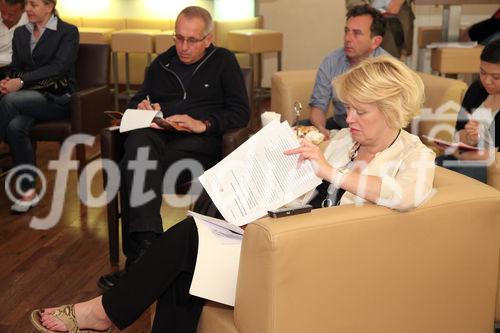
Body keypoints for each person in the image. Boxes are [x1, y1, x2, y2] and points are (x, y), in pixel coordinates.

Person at [30, 56, 435, 333]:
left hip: (325, 264)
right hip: (288, 239)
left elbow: (406, 196)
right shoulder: (344, 139)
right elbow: (303, 193)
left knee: (188, 244)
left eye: (360, 111)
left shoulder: (415, 155)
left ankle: (102, 312)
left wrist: (331, 172)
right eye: (348, 108)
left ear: (394, 109)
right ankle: (107, 311)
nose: (348, 119)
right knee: (194, 243)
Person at [97, 6, 250, 291]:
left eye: (192, 40)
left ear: (208, 38)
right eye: (178, 38)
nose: (183, 47)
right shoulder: (161, 64)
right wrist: (143, 107)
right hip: (162, 138)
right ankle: (149, 256)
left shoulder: (224, 61)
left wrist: (203, 123)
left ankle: (141, 261)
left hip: (201, 144)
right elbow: (136, 102)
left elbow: (241, 112)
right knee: (139, 145)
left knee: (134, 164)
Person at [0, 0, 79, 212]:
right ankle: (28, 192)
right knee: (15, 127)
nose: (27, 9)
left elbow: (59, 68)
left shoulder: (68, 32)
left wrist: (22, 81)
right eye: (27, 4)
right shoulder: (21, 33)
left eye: (33, 5)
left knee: (9, 101)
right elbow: (16, 67)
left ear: (49, 6)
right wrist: (8, 80)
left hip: (58, 97)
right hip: (28, 99)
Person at [307, 4, 389, 139]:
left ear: (376, 41)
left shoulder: (387, 68)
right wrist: (321, 129)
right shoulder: (332, 61)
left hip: (373, 133)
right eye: (347, 31)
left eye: (357, 33)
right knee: (298, 126)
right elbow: (318, 106)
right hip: (340, 126)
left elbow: (392, 119)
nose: (347, 38)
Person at [435, 40, 500, 183]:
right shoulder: (477, 90)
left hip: (488, 168)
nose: (487, 81)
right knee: (422, 170)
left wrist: (460, 154)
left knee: (448, 182)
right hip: (462, 157)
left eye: (496, 77)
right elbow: (458, 133)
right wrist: (470, 138)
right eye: (482, 72)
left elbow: (494, 157)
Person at [0, 0, 27, 78]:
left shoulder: (33, 21)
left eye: (11, 14)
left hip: (17, 72)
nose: (5, 17)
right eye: (2, 12)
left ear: (23, 10)